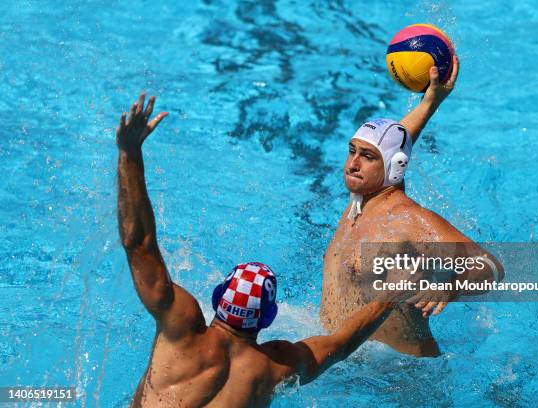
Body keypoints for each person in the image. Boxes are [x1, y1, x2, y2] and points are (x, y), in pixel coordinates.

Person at [116, 93, 404, 407]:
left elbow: (139, 243)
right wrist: (393, 292)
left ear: (217, 298)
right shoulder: (274, 368)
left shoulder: (180, 324)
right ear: (268, 318)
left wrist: (130, 153)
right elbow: (343, 343)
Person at [320, 56, 504, 357]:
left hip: (401, 380)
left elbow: (491, 267)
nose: (352, 164)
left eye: (366, 157)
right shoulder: (359, 202)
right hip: (345, 364)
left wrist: (450, 286)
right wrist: (430, 102)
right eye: (351, 151)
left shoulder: (408, 220)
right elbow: (392, 145)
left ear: (394, 168)